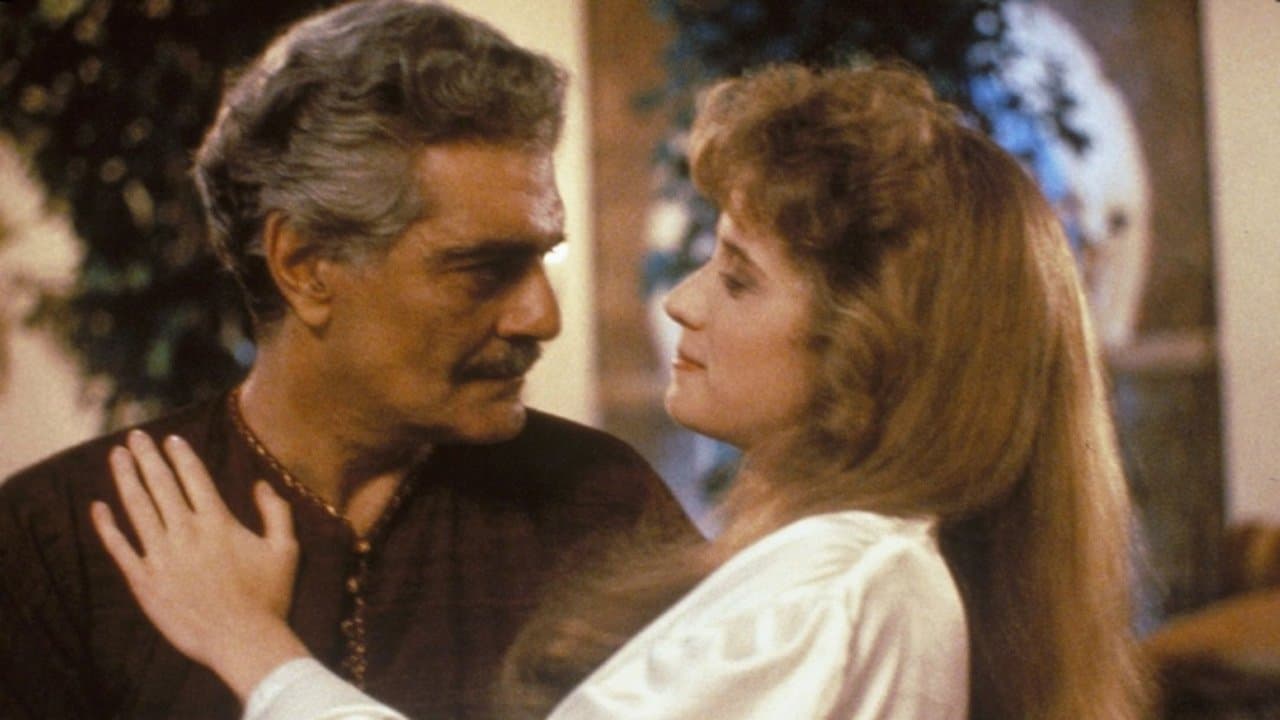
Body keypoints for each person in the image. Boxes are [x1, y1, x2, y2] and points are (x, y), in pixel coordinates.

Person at [93, 63, 1150, 719]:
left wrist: (250, 645)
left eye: (738, 277)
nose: (684, 302)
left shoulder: (842, 589)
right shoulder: (842, 572)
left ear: (872, 349)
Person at [0, 2, 694, 718]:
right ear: (304, 265)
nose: (541, 317)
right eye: (482, 269)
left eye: (544, 257)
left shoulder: (604, 506)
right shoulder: (62, 545)